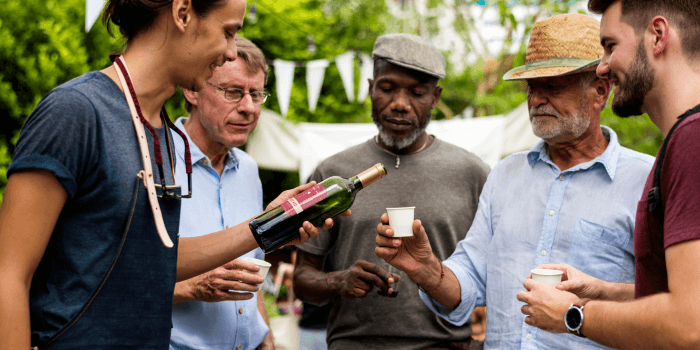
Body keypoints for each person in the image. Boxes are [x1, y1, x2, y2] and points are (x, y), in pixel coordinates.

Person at [0, 1, 341, 348]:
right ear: (182, 13)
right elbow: (9, 275)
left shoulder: (161, 132)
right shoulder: (75, 111)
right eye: (228, 32)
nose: (229, 51)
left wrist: (272, 221)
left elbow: (156, 259)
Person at [375, 14, 655, 350]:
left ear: (599, 92)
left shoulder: (646, 180)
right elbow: (471, 275)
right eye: (532, 87)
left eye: (553, 86)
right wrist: (426, 269)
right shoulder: (505, 176)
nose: (536, 100)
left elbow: (671, 303)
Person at [516, 1, 700, 349]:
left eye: (610, 46)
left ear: (658, 36)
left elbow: (691, 324)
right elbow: (679, 295)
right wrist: (604, 291)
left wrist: (575, 314)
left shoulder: (692, 140)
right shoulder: (682, 139)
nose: (602, 68)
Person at [293, 33, 491, 350]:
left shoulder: (473, 174)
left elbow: (497, 274)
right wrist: (338, 281)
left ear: (436, 97)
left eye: (417, 93)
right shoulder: (331, 173)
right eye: (387, 89)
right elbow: (302, 279)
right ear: (371, 88)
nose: (399, 104)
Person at [169, 35, 276, 350]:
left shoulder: (248, 170)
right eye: (233, 92)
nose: (248, 108)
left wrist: (266, 340)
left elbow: (251, 277)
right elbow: (120, 280)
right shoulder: (153, 161)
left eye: (256, 94)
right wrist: (192, 287)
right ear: (192, 89)